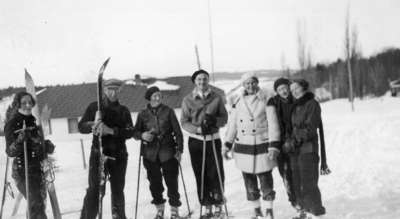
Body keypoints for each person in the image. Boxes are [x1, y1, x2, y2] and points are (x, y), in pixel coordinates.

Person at [224, 73, 280, 219]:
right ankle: (256, 211)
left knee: (265, 180)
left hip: (262, 145)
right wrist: (227, 145)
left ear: (257, 83)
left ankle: (269, 211)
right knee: (249, 183)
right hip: (243, 147)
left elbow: (273, 124)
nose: (250, 86)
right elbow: (233, 125)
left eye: (253, 83)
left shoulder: (267, 100)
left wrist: (273, 146)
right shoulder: (237, 102)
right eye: (247, 83)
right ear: (243, 85)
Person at [78, 79, 134, 219]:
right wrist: (93, 124)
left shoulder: (123, 111)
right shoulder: (94, 108)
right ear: (104, 90)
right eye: (110, 89)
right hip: (99, 155)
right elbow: (81, 127)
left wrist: (110, 131)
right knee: (95, 191)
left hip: (119, 155)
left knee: (117, 191)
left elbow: (129, 132)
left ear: (119, 91)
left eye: (116, 89)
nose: (113, 93)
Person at [181, 69, 228, 218]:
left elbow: (224, 118)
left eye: (205, 79)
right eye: (199, 79)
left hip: (213, 140)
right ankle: (206, 205)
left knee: (216, 173)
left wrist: (215, 121)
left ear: (208, 81)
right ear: (195, 81)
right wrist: (197, 129)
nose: (202, 82)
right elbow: (184, 121)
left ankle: (218, 205)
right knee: (200, 174)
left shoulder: (217, 97)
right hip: (197, 142)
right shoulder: (188, 99)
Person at [133, 86, 184, 219]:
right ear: (149, 98)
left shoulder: (169, 111)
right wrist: (142, 135)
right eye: (154, 95)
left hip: (168, 152)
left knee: (172, 182)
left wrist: (180, 150)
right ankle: (160, 210)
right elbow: (135, 132)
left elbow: (178, 132)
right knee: (155, 184)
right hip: (150, 155)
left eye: (159, 95)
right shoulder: (142, 114)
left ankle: (174, 210)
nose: (157, 98)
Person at [4, 91, 55, 219]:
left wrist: (46, 146)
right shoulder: (12, 124)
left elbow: (37, 145)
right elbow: (10, 152)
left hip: (37, 170)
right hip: (22, 171)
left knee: (39, 205)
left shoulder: (33, 122)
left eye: (29, 102)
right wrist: (20, 140)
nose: (27, 105)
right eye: (24, 103)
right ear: (18, 105)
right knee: (36, 204)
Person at [284, 79, 326, 219]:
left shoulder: (312, 104)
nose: (294, 91)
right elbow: (292, 128)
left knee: (309, 183)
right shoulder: (295, 106)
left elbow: (310, 129)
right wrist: (289, 141)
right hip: (296, 151)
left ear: (304, 88)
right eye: (292, 89)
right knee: (297, 182)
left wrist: (295, 140)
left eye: (297, 88)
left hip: (308, 149)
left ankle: (315, 212)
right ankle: (303, 211)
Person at [267, 78, 297, 208]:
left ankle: (303, 203)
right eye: (280, 89)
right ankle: (295, 203)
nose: (283, 91)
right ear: (276, 92)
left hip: (297, 143)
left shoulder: (297, 100)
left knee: (298, 174)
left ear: (290, 87)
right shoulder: (273, 103)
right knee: (286, 175)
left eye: (285, 88)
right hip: (281, 145)